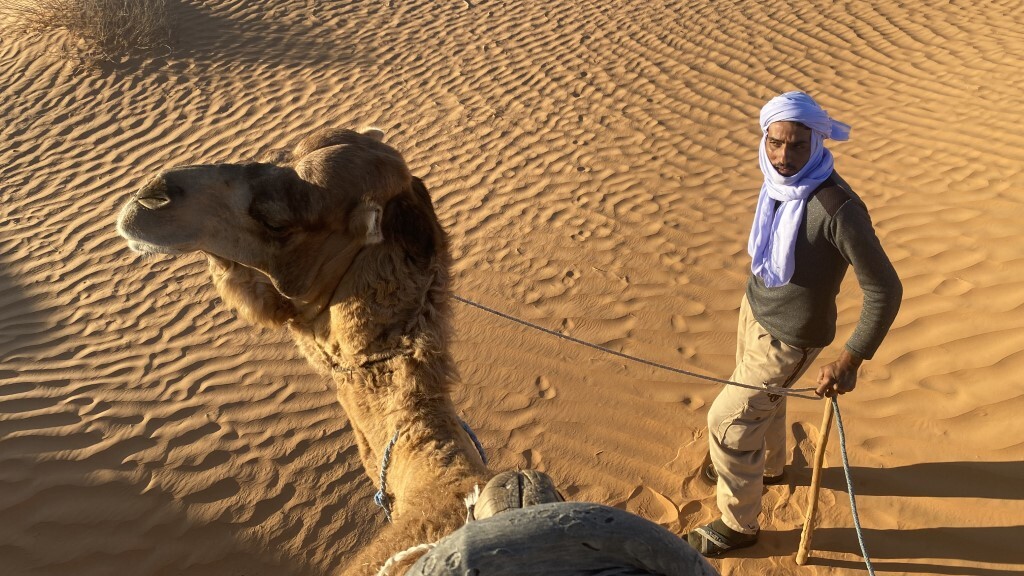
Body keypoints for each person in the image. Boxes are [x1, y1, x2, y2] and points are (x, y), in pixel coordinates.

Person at [686, 91, 902, 556]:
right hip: (756, 312)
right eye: (775, 143)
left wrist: (851, 359)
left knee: (726, 422)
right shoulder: (779, 180)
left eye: (797, 145)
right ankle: (770, 469)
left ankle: (738, 524)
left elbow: (885, 289)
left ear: (818, 143)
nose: (784, 157)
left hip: (790, 339)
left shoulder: (836, 207)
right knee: (767, 405)